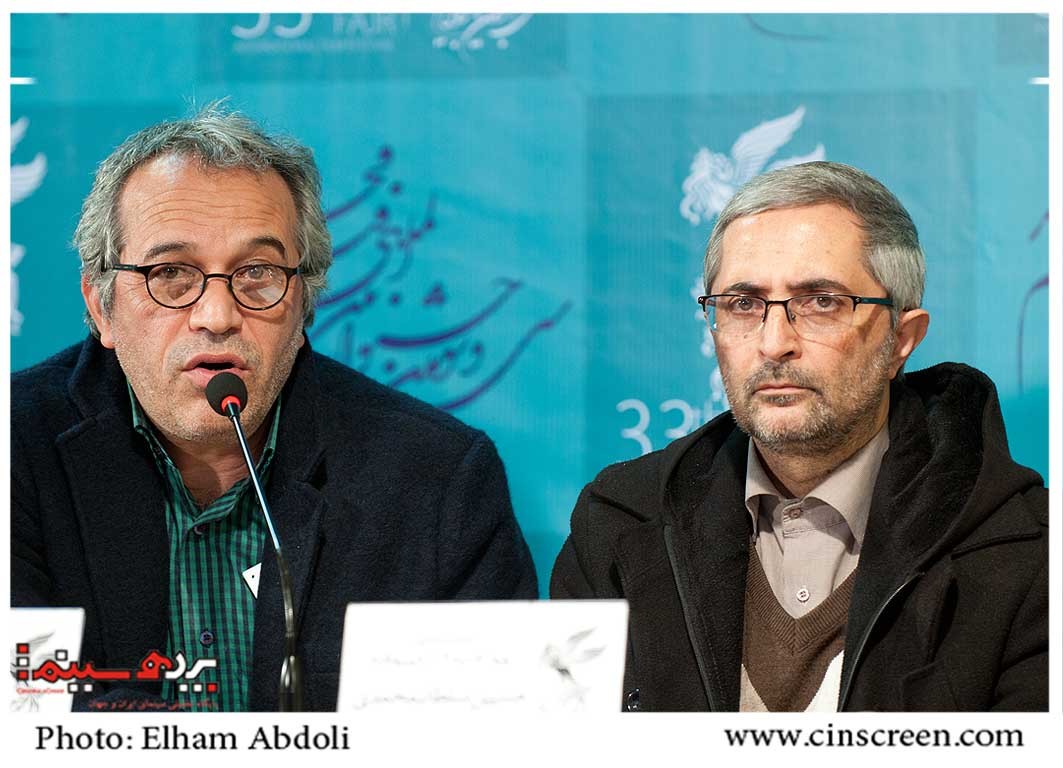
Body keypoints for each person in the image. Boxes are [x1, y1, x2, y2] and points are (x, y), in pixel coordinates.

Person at [11, 102, 538, 712]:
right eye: (171, 273)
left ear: (304, 303)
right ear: (101, 306)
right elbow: (21, 720)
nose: (217, 316)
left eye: (257, 273)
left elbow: (492, 734)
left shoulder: (434, 477)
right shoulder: (15, 452)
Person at [551, 161, 1047, 712]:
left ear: (902, 339)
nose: (774, 343)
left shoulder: (1028, 554)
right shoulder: (619, 526)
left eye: (821, 302)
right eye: (743, 304)